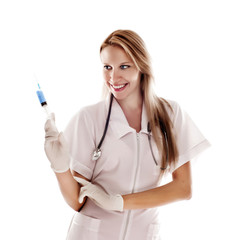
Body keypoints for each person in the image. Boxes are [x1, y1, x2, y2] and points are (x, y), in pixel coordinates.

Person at [44, 29, 210, 240]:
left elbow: (183, 188)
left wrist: (119, 201)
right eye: (107, 67)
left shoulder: (170, 115)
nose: (113, 77)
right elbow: (78, 200)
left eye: (124, 66)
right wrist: (60, 168)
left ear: (141, 66)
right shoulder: (89, 118)